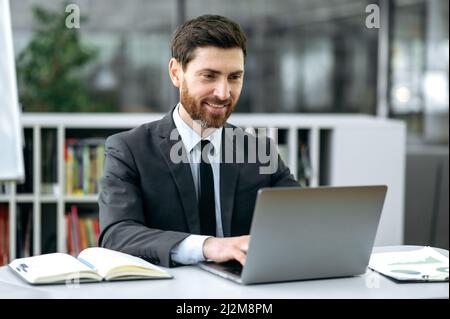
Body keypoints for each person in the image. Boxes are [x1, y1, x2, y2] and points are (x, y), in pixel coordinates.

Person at [98, 14, 298, 268]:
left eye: (234, 77)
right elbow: (117, 234)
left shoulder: (260, 152)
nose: (223, 93)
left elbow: (300, 220)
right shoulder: (129, 150)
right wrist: (208, 246)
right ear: (176, 73)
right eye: (209, 76)